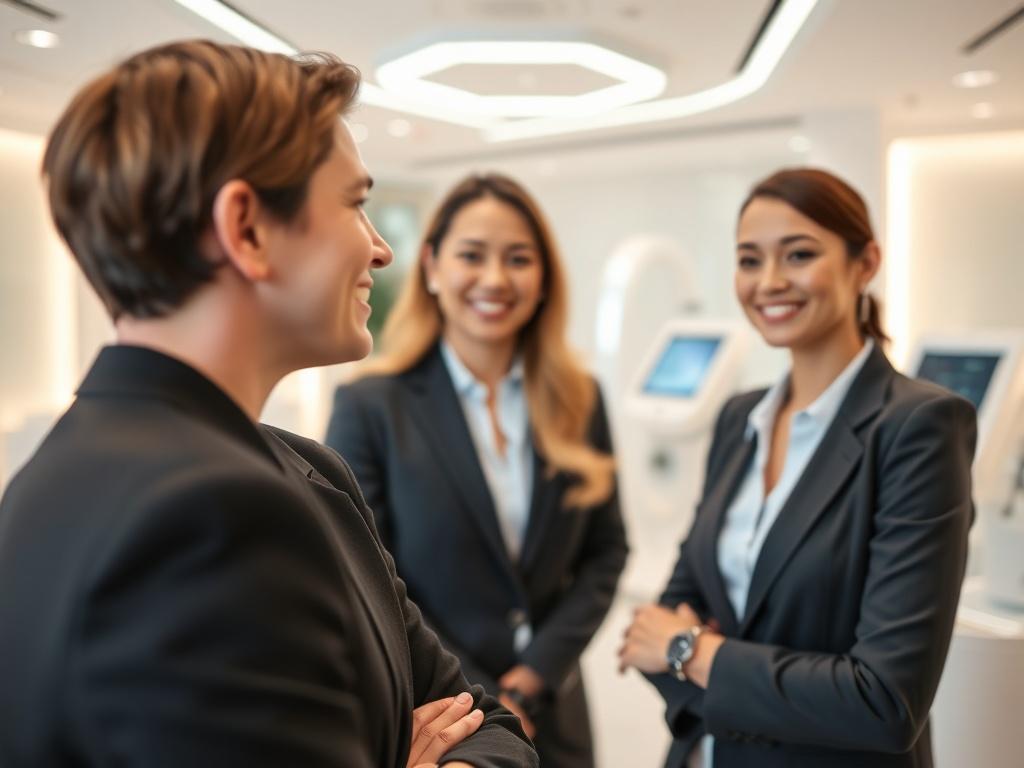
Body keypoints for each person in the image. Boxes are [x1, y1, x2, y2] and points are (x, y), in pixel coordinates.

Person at [0, 40, 537, 768]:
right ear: (247, 228)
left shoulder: (302, 471)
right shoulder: (208, 517)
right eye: (354, 203)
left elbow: (485, 721)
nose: (380, 250)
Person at [618, 168, 975, 768]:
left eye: (800, 254)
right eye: (749, 260)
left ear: (866, 263)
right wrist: (686, 653)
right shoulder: (740, 420)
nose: (770, 282)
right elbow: (657, 623)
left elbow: (884, 701)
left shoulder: (919, 427)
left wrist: (692, 651)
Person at [326, 172, 628, 767]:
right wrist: (490, 693)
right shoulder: (371, 406)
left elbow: (606, 552)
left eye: (518, 258)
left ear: (543, 278)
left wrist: (536, 674)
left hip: (556, 715)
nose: (495, 278)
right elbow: (368, 575)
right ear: (434, 267)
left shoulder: (580, 398)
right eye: (472, 255)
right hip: (441, 723)